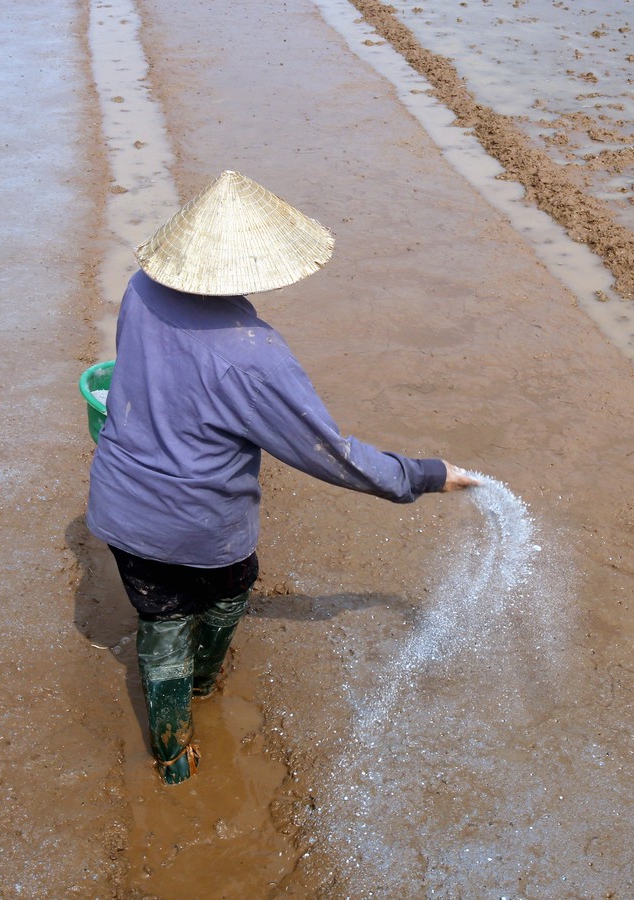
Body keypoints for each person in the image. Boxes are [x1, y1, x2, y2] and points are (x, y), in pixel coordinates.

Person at [87, 170, 478, 784]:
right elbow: (331, 454)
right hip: (200, 526)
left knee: (159, 617)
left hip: (118, 502)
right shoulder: (255, 354)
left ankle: (171, 760)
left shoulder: (141, 289)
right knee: (229, 589)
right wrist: (425, 475)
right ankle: (206, 681)